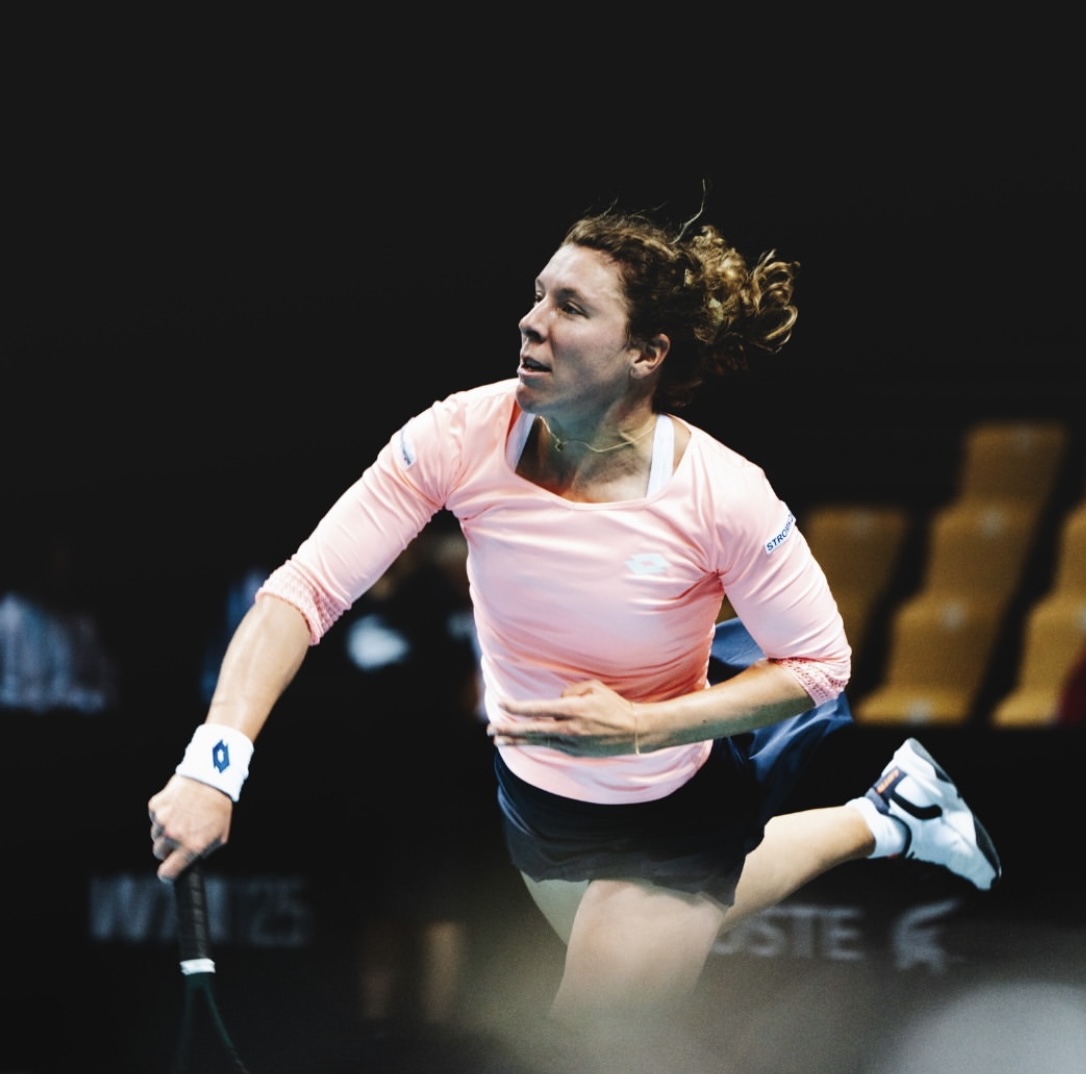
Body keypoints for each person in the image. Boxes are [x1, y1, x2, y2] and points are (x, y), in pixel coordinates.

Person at [148, 204, 1000, 1039]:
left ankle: (887, 820)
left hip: (671, 809)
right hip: (538, 803)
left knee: (588, 1029)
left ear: (644, 354)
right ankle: (889, 817)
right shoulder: (459, 435)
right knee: (679, 924)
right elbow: (302, 592)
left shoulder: (723, 495)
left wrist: (641, 727)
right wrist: (214, 765)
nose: (531, 322)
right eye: (537, 295)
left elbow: (819, 667)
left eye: (571, 307)